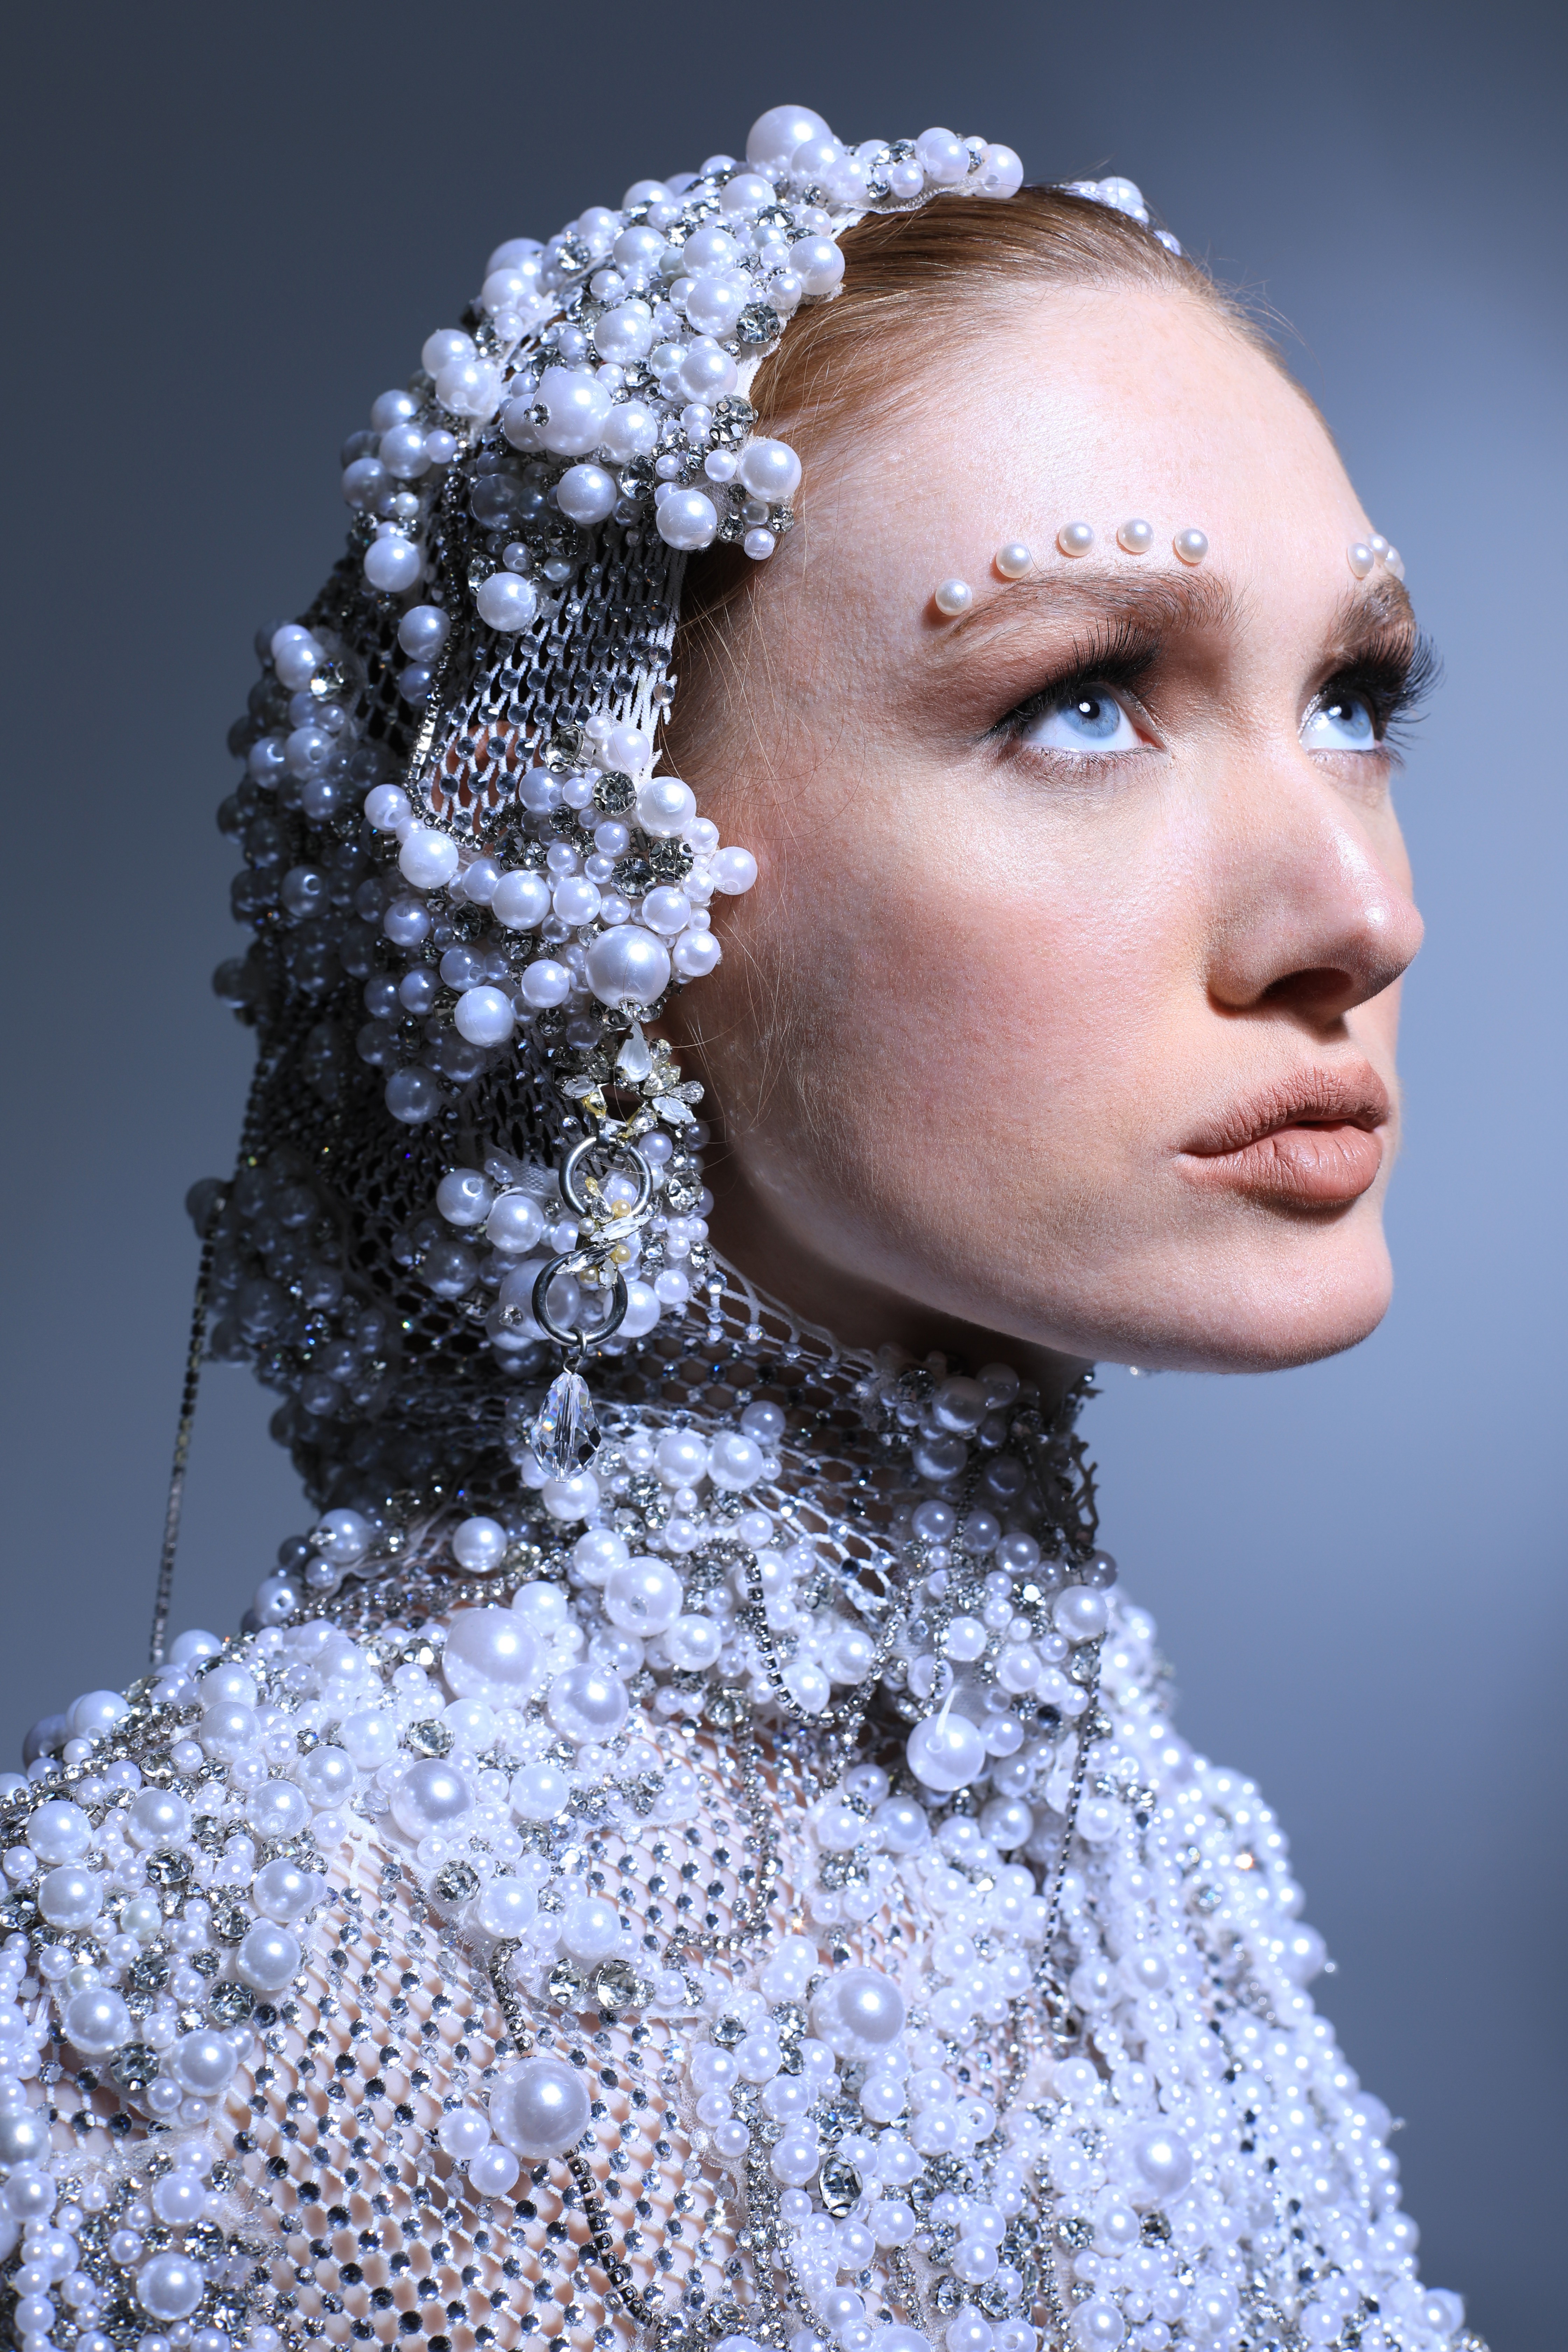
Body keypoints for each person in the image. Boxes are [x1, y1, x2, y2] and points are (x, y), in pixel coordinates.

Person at [0, 104, 1476, 2352]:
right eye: (1083, 702)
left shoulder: (1153, 1842)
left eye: (1354, 698)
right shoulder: (221, 1975)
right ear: (586, 862)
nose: (1359, 910)